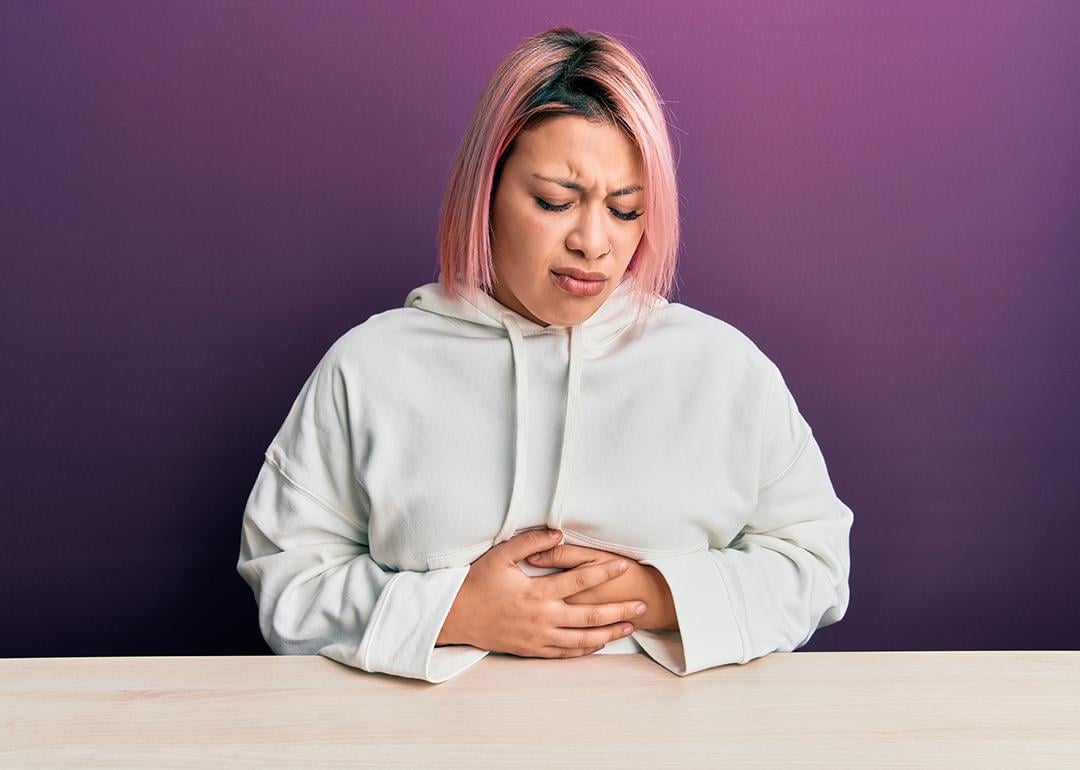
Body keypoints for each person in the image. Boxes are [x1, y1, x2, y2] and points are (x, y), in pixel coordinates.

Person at [235, 26, 853, 684]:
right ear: (486, 191)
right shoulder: (369, 367)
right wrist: (453, 613)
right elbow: (286, 575)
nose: (594, 242)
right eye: (555, 201)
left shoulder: (726, 370)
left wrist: (657, 596)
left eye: (625, 210)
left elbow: (816, 561)